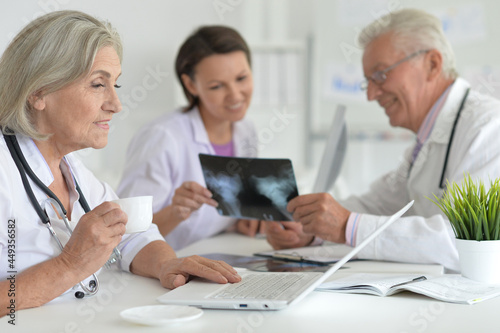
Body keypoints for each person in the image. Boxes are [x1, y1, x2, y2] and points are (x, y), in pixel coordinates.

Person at [0, 11, 241, 317]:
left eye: (116, 85)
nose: (116, 105)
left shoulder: (71, 170)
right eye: (98, 85)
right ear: (39, 92)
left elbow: (133, 235)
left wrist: (168, 264)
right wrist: (69, 265)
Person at [265, 8, 500, 272]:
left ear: (432, 64)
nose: (372, 95)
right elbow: (380, 204)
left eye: (380, 75)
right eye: (368, 82)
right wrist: (311, 227)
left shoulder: (488, 128)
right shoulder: (426, 140)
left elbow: (468, 242)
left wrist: (346, 227)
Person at [117, 25, 263, 250]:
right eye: (217, 86)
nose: (235, 95)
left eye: (242, 78)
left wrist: (245, 220)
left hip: (219, 253)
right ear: (191, 85)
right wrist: (175, 212)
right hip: (162, 269)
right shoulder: (162, 137)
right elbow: (124, 233)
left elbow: (227, 212)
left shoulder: (246, 129)